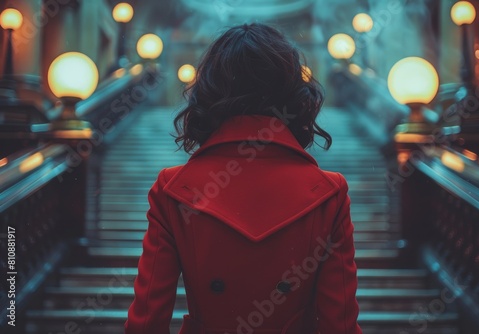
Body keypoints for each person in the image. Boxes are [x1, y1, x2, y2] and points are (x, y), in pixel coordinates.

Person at [125, 23, 362, 334]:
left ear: (207, 91)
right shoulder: (329, 193)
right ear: (293, 94)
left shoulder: (172, 189)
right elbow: (339, 325)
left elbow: (146, 324)